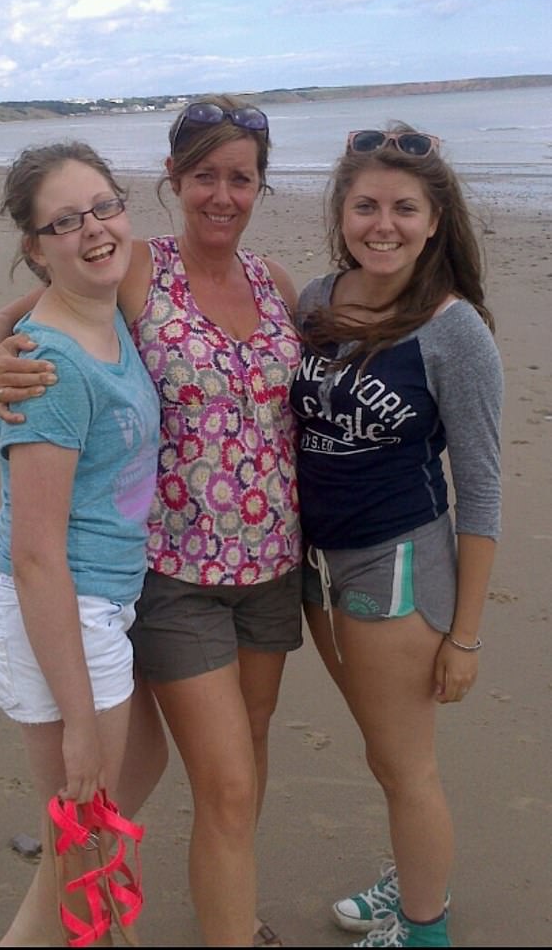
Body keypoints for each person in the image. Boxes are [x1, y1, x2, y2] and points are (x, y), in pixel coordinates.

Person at [0, 95, 304, 948]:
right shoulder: (135, 270)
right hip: (168, 577)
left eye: (241, 177)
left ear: (261, 186)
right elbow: (19, 325)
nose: (222, 194)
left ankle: (216, 897)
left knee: (233, 762)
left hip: (271, 569)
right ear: (172, 181)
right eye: (203, 176)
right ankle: (85, 875)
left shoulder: (278, 285)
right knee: (203, 781)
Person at [289, 125, 503, 948]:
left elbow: (481, 490)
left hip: (399, 565)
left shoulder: (454, 332)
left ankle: (424, 928)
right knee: (387, 754)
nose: (385, 223)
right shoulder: (316, 299)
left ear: (435, 219)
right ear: (341, 213)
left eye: (404, 208)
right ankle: (415, 883)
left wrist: (467, 637)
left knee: (405, 763)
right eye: (366, 205)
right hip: (324, 563)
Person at [0, 140, 162, 947]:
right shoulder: (50, 368)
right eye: (66, 221)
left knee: (115, 794)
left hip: (96, 605)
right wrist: (78, 718)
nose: (94, 229)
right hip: (58, 609)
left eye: (105, 206)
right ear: (36, 247)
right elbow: (39, 553)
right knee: (81, 844)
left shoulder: (101, 300)